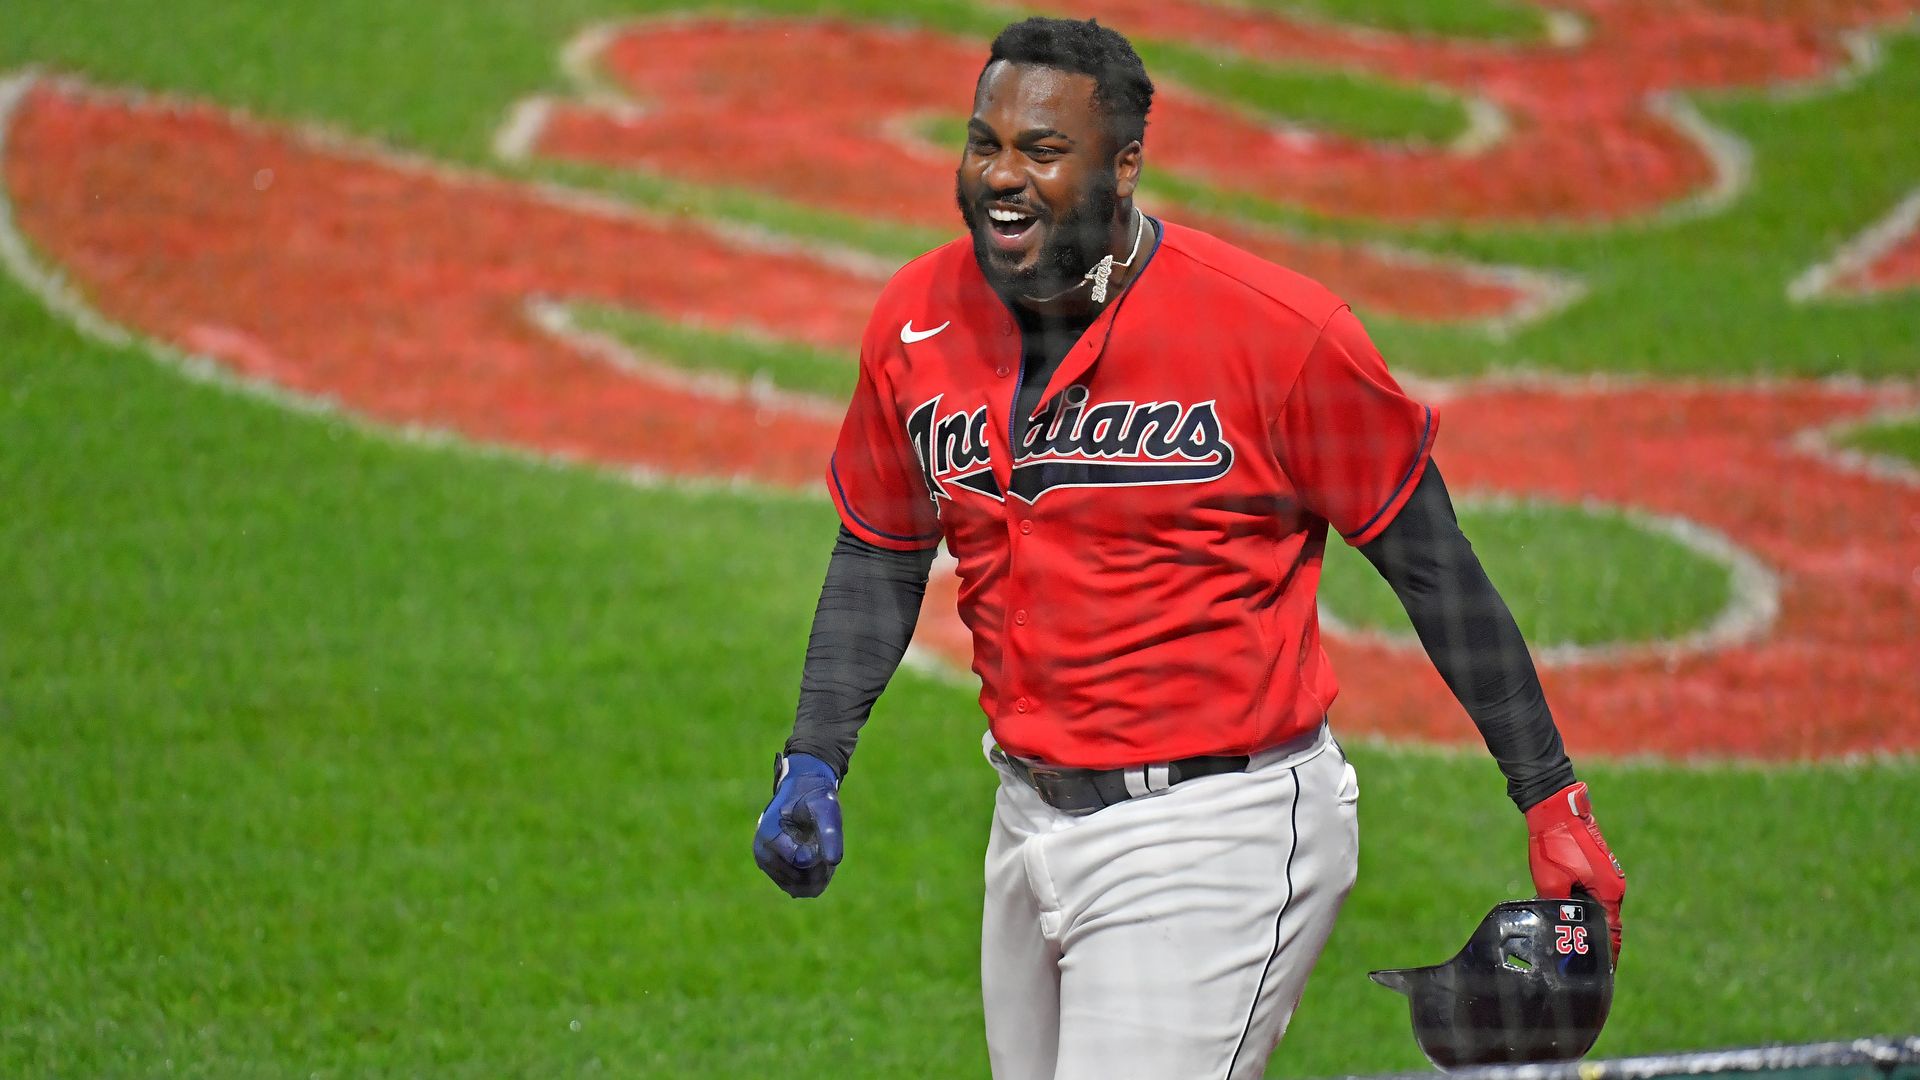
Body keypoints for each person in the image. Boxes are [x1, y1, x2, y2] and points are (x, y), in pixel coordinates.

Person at [752, 16, 1626, 1080]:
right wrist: (815, 754)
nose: (1001, 178)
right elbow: (882, 551)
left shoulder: (1277, 338)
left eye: (1041, 150)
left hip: (1220, 831)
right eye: (984, 143)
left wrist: (1552, 797)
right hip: (1025, 824)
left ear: (1124, 168)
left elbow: (1432, 564)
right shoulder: (916, 319)